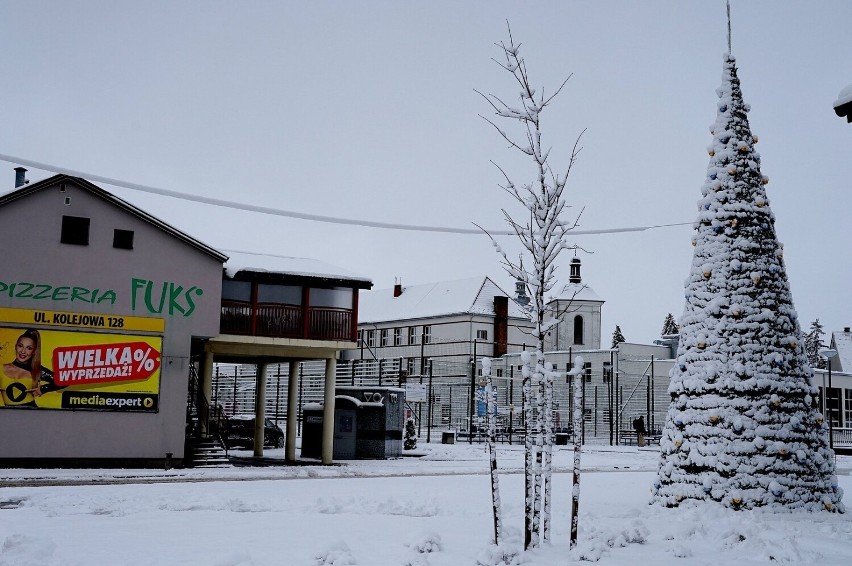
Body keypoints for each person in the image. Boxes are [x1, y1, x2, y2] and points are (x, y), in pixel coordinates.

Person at [1, 329, 43, 407]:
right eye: (20, 346)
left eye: (29, 348)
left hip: (31, 415)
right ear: (15, 347)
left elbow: (63, 380)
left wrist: (43, 389)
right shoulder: (1, 368)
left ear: (34, 351)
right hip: (8, 415)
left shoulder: (36, 370)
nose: (23, 351)